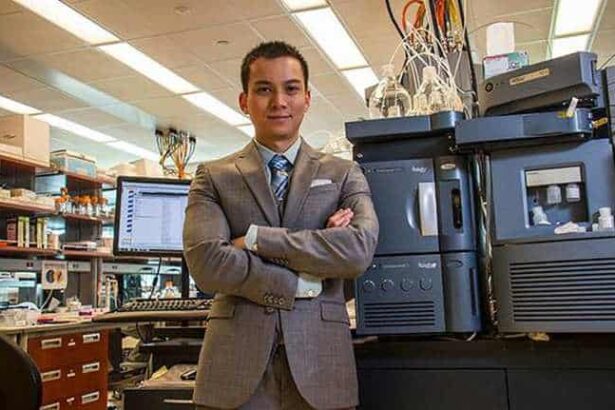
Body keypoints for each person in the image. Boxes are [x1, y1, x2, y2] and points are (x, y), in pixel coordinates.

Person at [183, 41, 379, 410]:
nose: (279, 102)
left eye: (291, 89)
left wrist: (255, 239)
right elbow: (207, 264)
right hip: (234, 369)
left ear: (307, 98)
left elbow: (356, 251)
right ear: (244, 101)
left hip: (321, 364)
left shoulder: (344, 174)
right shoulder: (213, 176)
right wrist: (303, 280)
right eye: (264, 90)